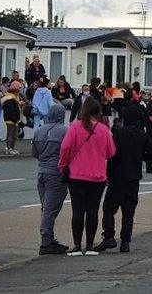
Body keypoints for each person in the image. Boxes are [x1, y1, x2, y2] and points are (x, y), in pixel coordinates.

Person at [59, 98, 115, 256]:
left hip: (76, 175)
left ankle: (77, 246)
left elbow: (65, 147)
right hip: (97, 176)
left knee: (77, 210)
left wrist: (63, 166)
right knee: (93, 210)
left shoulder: (75, 126)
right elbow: (111, 152)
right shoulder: (103, 129)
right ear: (98, 112)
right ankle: (89, 246)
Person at [96, 101, 146, 253]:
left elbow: (112, 155)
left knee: (109, 208)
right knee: (128, 210)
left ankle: (109, 236)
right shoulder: (141, 134)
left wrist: (108, 174)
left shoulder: (119, 134)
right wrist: (142, 156)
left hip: (118, 176)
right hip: (134, 177)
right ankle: (125, 241)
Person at [33, 102, 69, 255]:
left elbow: (34, 153)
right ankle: (46, 240)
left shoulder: (39, 131)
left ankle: (49, 239)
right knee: (52, 207)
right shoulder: (64, 131)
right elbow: (69, 151)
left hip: (42, 170)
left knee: (45, 206)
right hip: (56, 172)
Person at [1, 81, 23, 155]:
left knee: (13, 134)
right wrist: (15, 119)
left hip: (11, 118)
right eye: (19, 88)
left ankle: (11, 148)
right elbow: (11, 110)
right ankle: (10, 148)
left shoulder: (11, 97)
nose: (20, 90)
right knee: (12, 134)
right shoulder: (11, 98)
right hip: (12, 119)